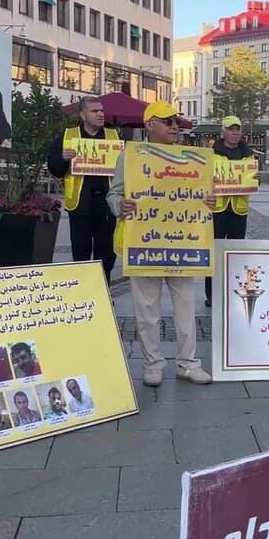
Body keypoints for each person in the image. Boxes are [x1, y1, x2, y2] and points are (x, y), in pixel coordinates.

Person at [107, 101, 214, 386]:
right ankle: (152, 363)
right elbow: (113, 194)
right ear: (149, 125)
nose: (174, 127)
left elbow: (203, 196)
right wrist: (120, 205)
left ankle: (188, 363)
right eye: (168, 122)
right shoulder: (130, 157)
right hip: (144, 243)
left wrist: (209, 201)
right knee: (146, 310)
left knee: (186, 307)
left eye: (176, 122)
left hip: (183, 244)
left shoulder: (192, 159)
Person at [47, 97, 120, 285]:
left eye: (101, 110)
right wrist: (63, 158)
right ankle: (83, 291)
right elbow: (54, 167)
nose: (101, 114)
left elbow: (125, 168)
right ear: (83, 115)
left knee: (106, 255)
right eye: (95, 111)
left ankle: (102, 291)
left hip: (107, 206)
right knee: (81, 253)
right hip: (80, 206)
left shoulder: (113, 136)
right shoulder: (68, 136)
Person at [205, 115, 256, 307]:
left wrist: (254, 180)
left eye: (237, 129)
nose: (235, 133)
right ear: (223, 132)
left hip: (238, 209)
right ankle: (212, 293)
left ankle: (233, 290)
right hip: (217, 209)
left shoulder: (248, 155)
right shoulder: (212, 154)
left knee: (236, 253)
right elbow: (203, 178)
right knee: (214, 252)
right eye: (231, 129)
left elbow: (251, 179)